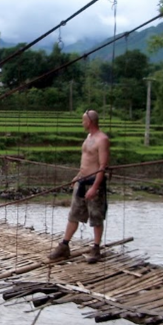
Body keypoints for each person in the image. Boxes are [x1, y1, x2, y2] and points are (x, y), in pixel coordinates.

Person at [48, 110, 110, 264]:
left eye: (83, 120)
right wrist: (78, 176)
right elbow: (86, 161)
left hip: (94, 182)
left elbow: (102, 166)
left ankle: (96, 248)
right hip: (82, 181)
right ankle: (64, 245)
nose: (82, 123)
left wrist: (95, 187)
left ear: (90, 121)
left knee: (96, 217)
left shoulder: (102, 139)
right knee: (73, 214)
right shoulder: (88, 137)